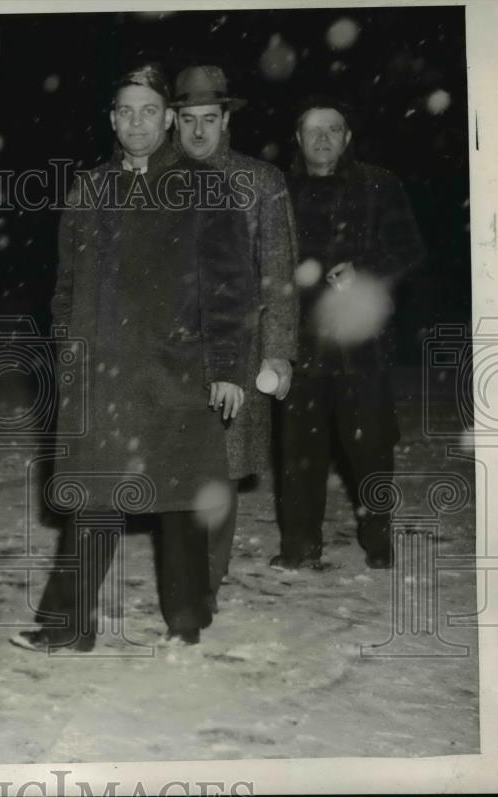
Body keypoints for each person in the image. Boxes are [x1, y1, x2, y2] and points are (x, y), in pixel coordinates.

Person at [9, 63, 250, 655]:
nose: (136, 123)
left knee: (179, 504)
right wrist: (69, 344)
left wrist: (225, 366)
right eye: (125, 111)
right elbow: (65, 283)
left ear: (168, 118)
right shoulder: (89, 188)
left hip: (177, 374)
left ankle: (186, 621)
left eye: (149, 111)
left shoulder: (204, 187)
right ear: (112, 120)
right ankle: (68, 624)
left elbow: (229, 288)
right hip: (102, 377)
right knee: (91, 502)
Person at [273, 97, 424, 570]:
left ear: (347, 137)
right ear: (297, 139)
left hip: (363, 346)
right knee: (299, 453)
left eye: (333, 129)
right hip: (300, 343)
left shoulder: (379, 184)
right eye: (313, 130)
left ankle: (379, 542)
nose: (323, 139)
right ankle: (299, 546)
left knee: (371, 449)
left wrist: (366, 270)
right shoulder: (279, 191)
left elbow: (408, 248)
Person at [170, 65, 298, 606]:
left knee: (219, 467)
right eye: (188, 120)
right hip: (168, 351)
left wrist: (279, 354)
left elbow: (279, 279)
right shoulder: (152, 179)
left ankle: (205, 578)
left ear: (226, 121)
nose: (198, 132)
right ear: (174, 121)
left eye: (209, 119)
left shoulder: (260, 183)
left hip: (237, 352)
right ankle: (182, 573)